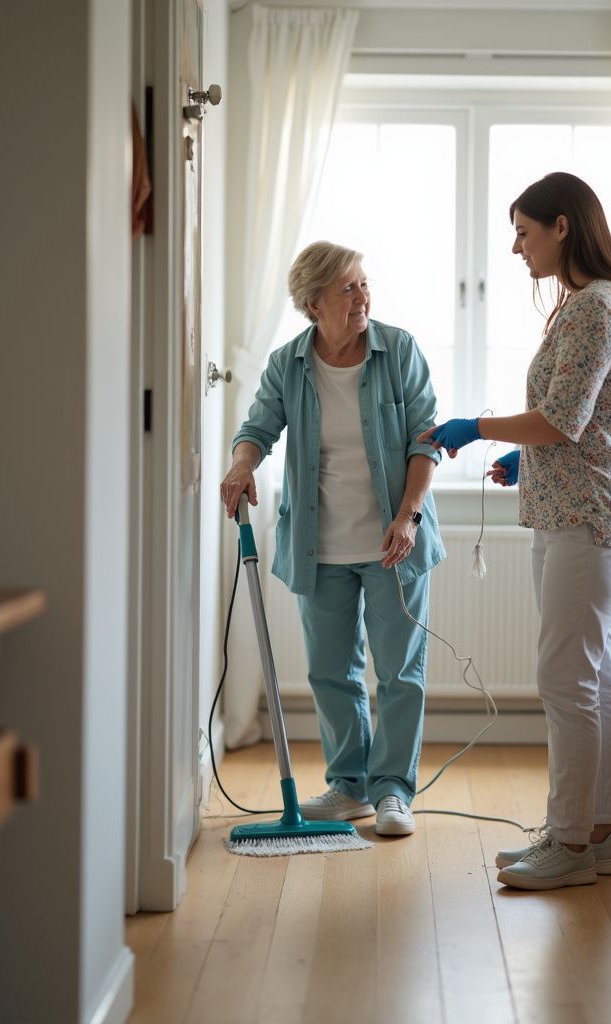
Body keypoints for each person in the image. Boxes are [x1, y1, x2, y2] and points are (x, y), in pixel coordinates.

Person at [419, 172, 611, 889]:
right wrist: (529, 459)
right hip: (578, 510)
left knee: (565, 678)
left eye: (524, 231)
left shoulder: (594, 308)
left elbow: (564, 419)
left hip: (589, 521)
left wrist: (477, 427)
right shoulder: (591, 304)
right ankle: (595, 838)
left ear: (563, 227)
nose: (516, 247)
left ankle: (571, 845)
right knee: (594, 679)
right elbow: (586, 421)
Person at [220, 241, 445, 837]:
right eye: (348, 287)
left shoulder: (398, 351)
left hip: (395, 540)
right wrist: (243, 465)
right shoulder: (287, 363)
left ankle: (393, 789)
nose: (363, 295)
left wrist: (409, 514)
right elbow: (257, 428)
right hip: (320, 546)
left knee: (400, 673)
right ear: (313, 303)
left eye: (365, 283)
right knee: (329, 671)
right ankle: (349, 787)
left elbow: (426, 439)